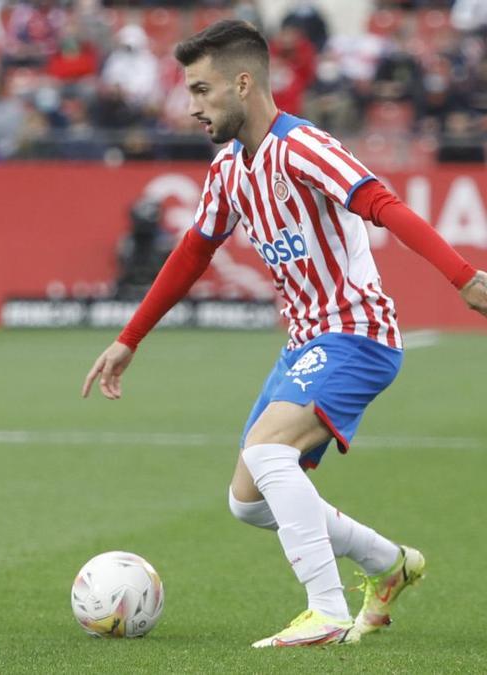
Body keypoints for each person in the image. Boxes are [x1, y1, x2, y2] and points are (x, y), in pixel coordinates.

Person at [82, 20, 487, 649]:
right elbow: (193, 252)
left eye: (202, 90)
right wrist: (129, 338)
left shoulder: (303, 146)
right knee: (248, 499)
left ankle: (325, 612)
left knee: (270, 454)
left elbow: (382, 203)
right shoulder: (227, 170)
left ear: (243, 83)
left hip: (356, 331)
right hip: (305, 343)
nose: (191, 106)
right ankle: (389, 564)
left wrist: (462, 277)